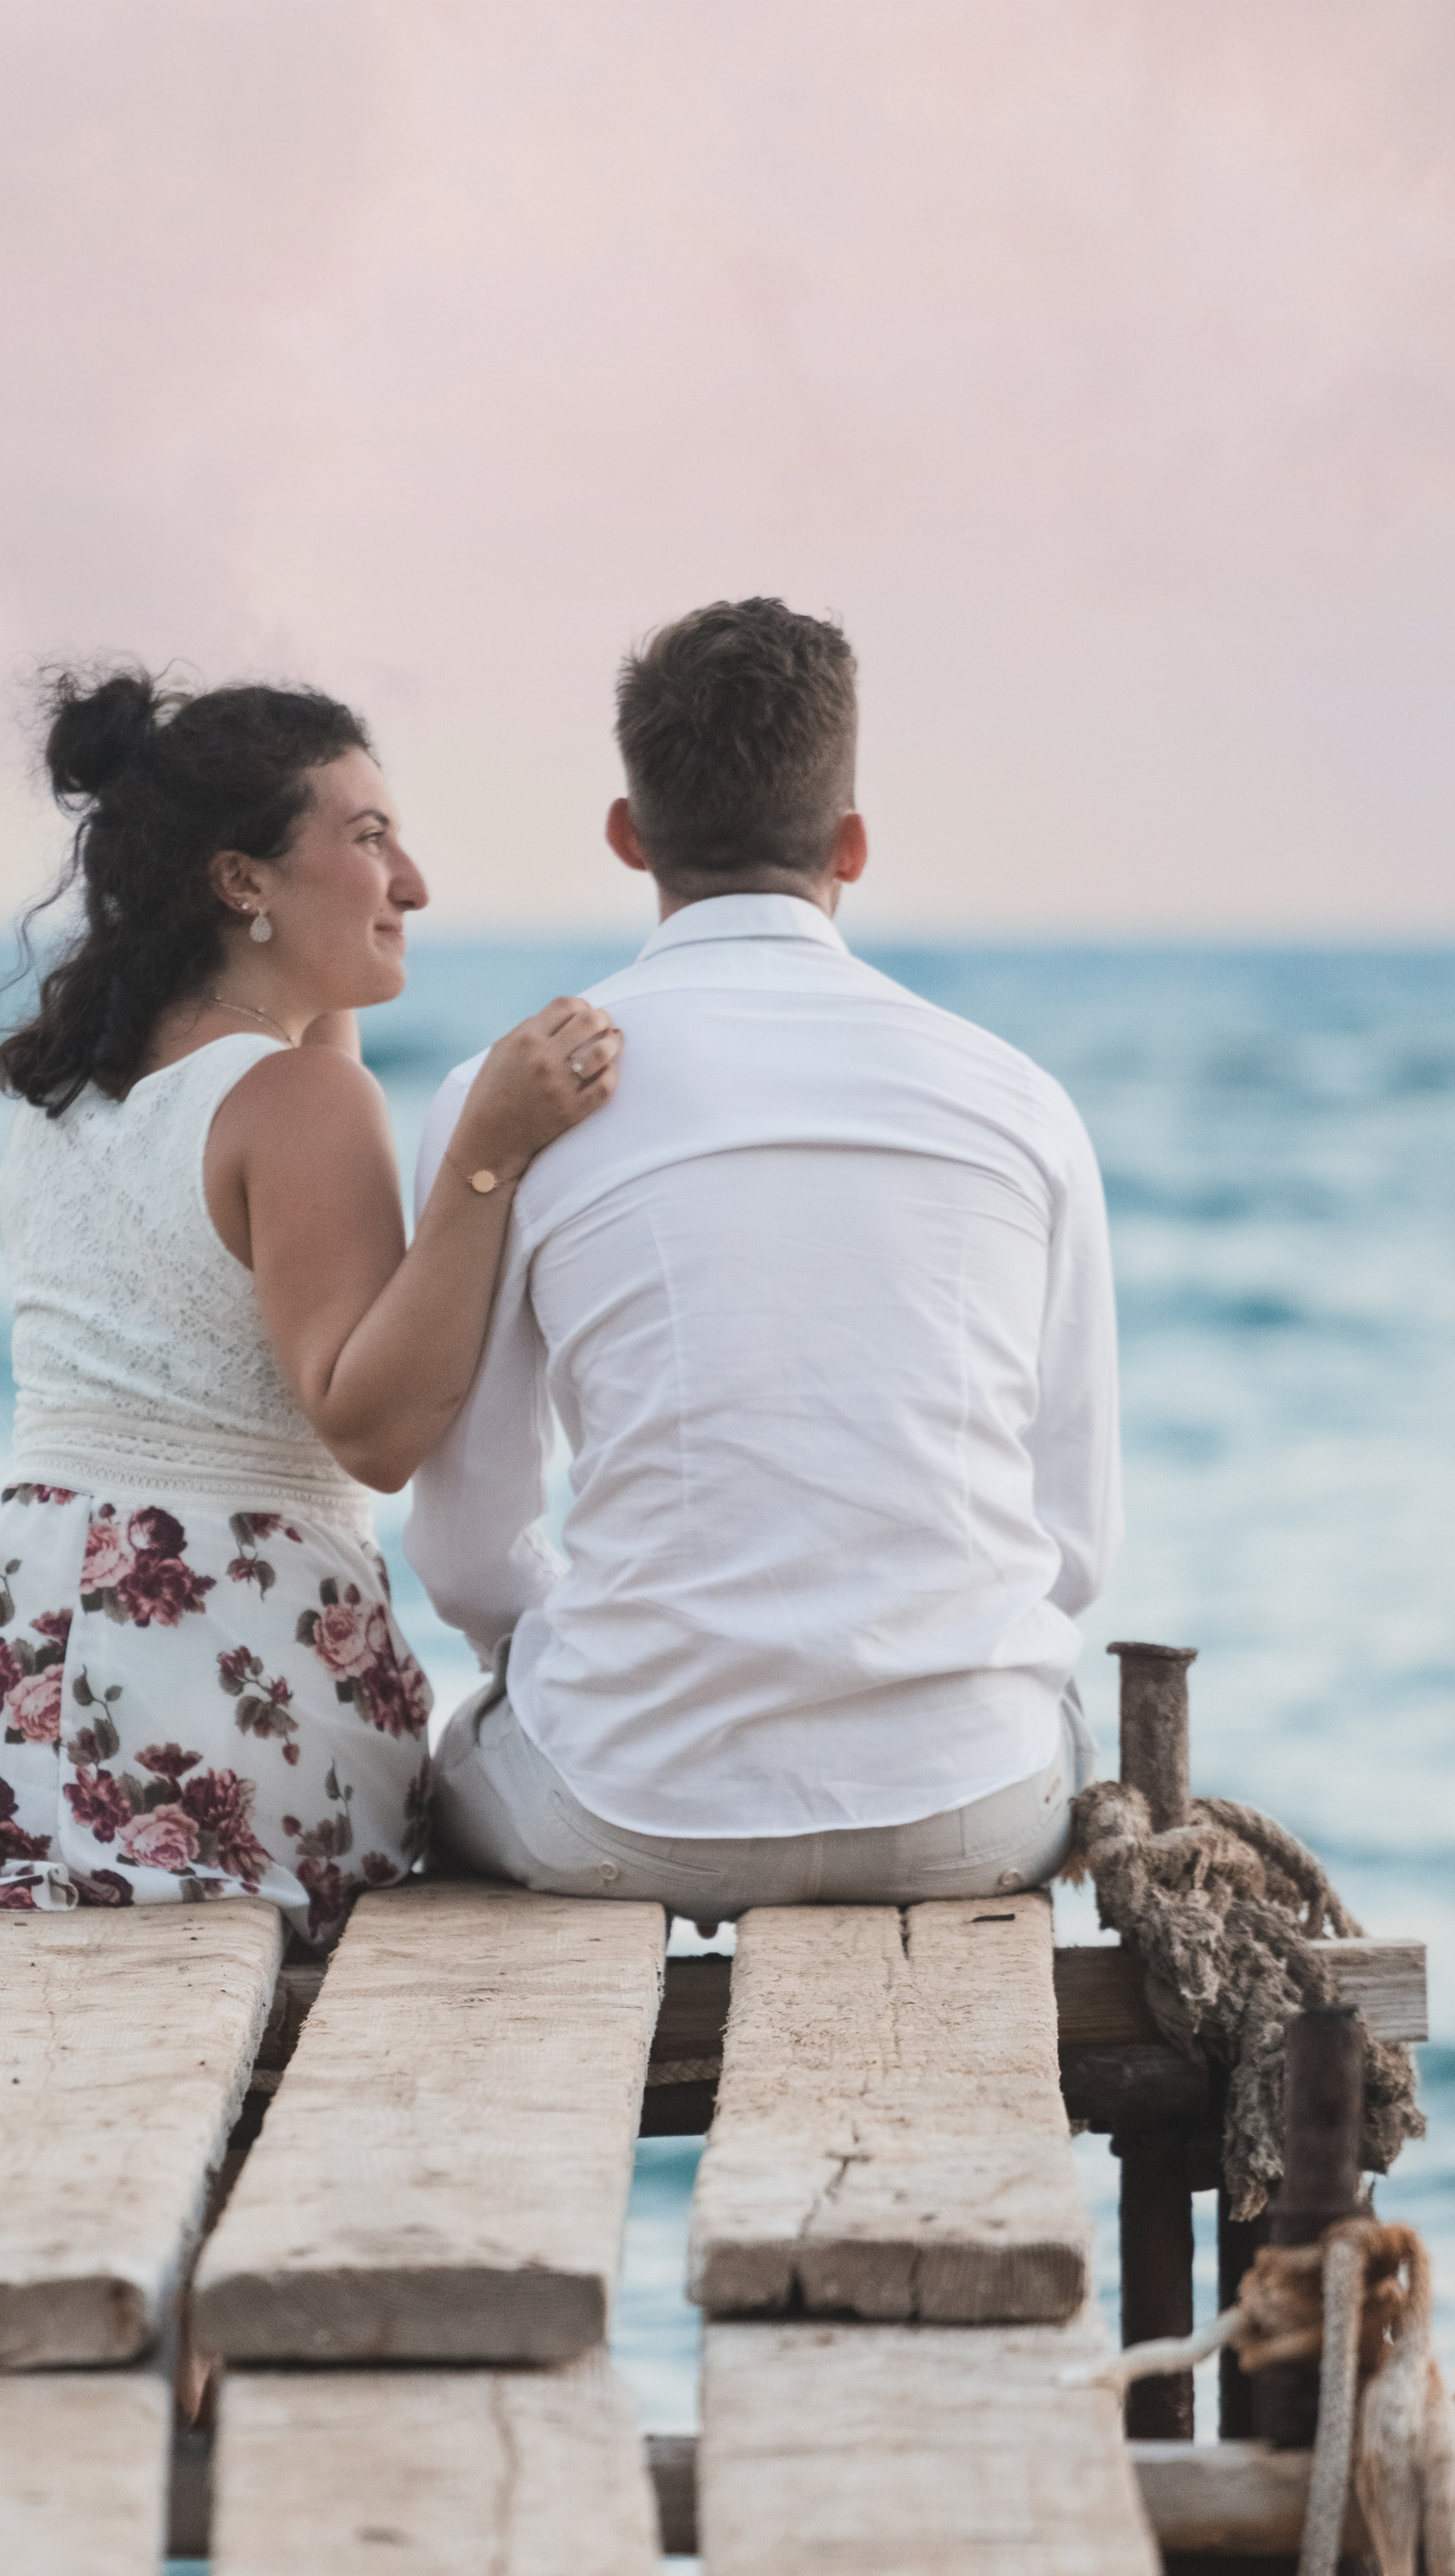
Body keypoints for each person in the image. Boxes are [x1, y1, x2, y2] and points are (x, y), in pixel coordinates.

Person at [0, 665, 619, 1969]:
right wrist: (489, 1155)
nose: (415, 884)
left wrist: (326, 982)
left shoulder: (81, 1096)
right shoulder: (296, 1104)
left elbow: (297, 1066)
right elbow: (371, 1430)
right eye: (371, 840)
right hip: (208, 1712)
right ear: (242, 883)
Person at [409, 596, 1122, 1922]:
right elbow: (1072, 1545)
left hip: (628, 1808)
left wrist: (617, 1668)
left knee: (460, 1769)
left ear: (629, 835)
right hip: (967, 1805)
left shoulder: (509, 1097)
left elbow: (466, 1560)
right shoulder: (1020, 1101)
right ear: (852, 842)